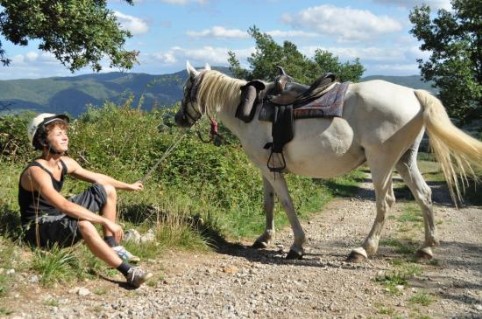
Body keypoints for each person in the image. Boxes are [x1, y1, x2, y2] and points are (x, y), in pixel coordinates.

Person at [18, 113, 152, 288]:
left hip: (58, 216)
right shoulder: (36, 172)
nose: (65, 137)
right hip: (37, 227)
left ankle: (111, 244)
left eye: (65, 133)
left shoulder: (64, 162)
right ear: (43, 140)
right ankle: (129, 272)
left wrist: (128, 186)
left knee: (107, 189)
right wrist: (104, 220)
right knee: (85, 224)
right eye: (58, 134)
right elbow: (64, 205)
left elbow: (97, 177)